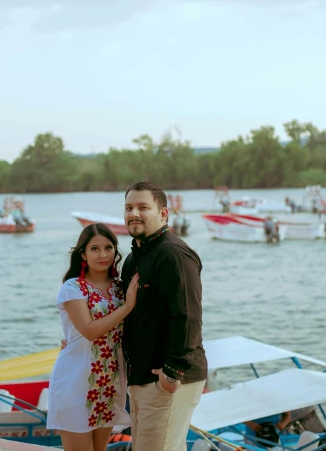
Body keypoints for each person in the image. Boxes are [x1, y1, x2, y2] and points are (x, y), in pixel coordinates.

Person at [120, 181, 208, 451]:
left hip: (168, 378)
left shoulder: (172, 253)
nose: (134, 213)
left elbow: (188, 316)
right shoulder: (135, 258)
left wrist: (172, 371)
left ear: (163, 214)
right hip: (142, 378)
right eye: (129, 208)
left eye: (143, 207)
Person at [47, 223, 140, 451]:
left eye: (108, 248)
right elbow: (89, 331)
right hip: (75, 383)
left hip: (107, 385)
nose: (103, 255)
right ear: (83, 254)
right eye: (95, 249)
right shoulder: (73, 288)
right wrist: (127, 306)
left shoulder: (120, 288)